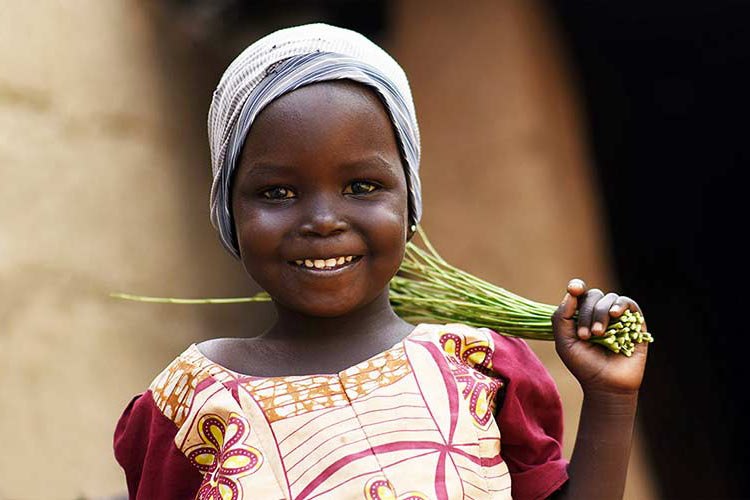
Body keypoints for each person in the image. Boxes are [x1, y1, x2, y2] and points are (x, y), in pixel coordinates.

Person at [113, 23, 648, 500]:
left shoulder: (480, 369)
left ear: (410, 201)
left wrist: (611, 398)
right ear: (228, 213)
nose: (323, 220)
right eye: (277, 192)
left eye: (362, 186)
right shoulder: (188, 404)